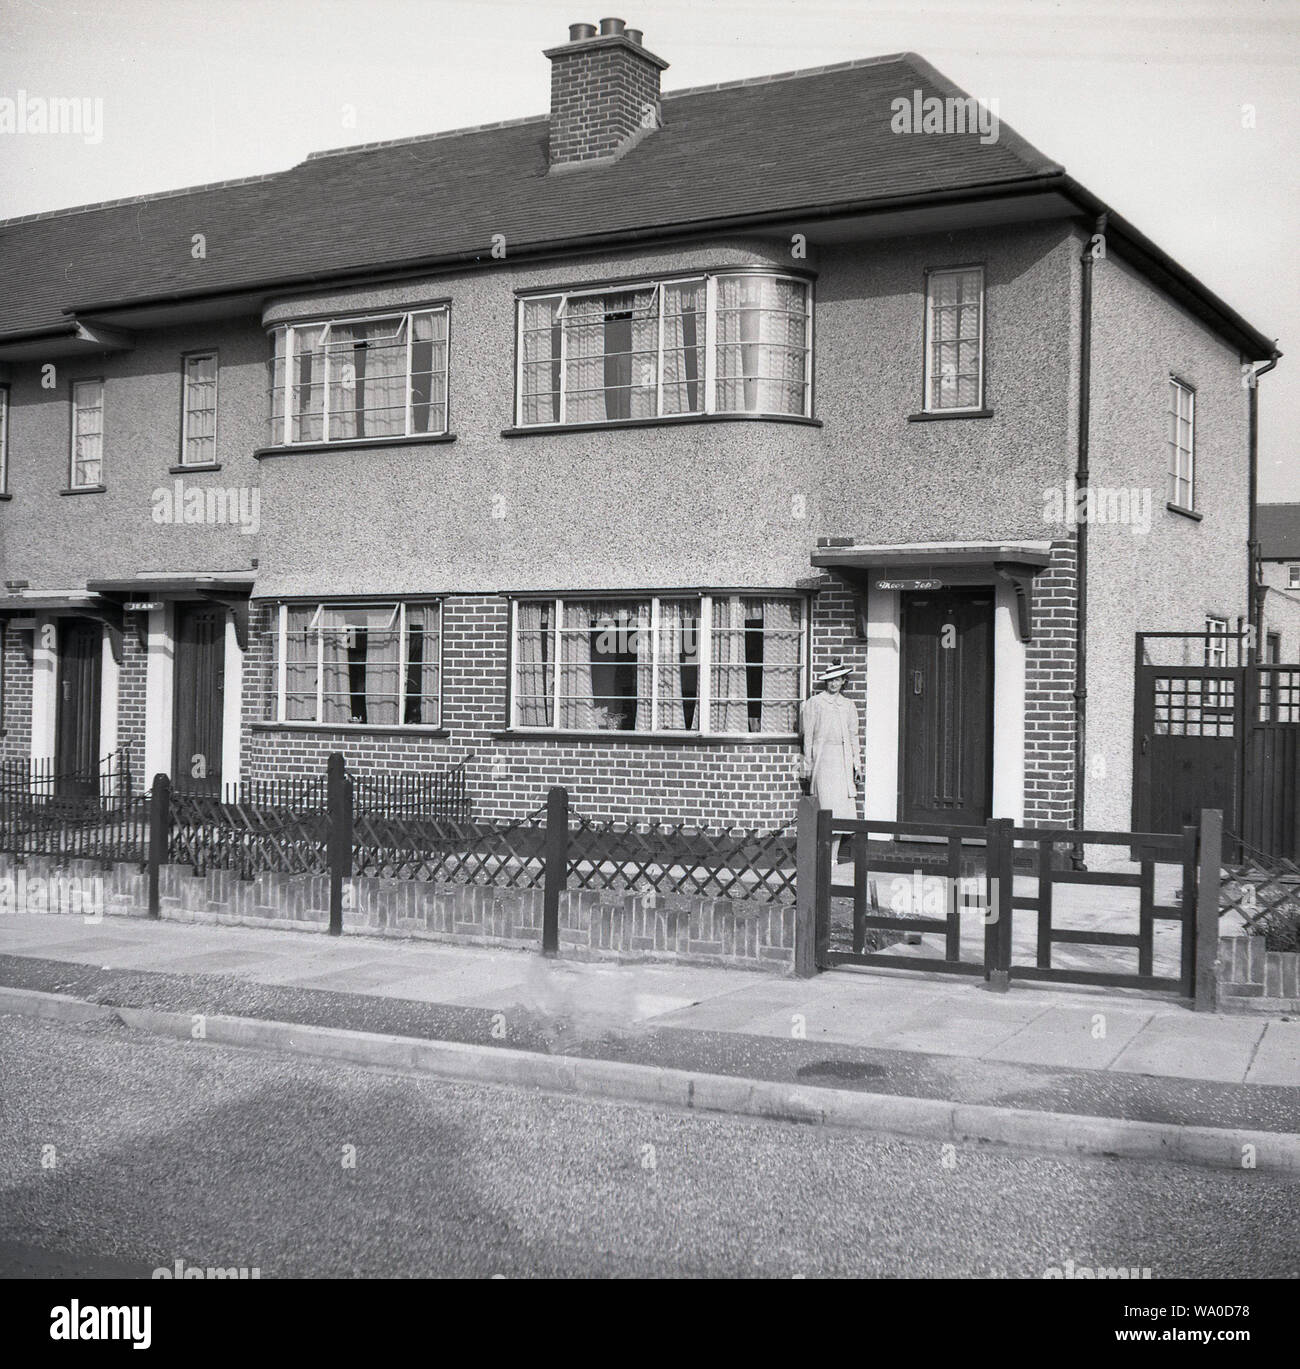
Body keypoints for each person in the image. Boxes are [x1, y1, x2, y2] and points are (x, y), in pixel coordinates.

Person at [800, 658, 862, 822]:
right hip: (823, 759)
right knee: (825, 806)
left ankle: (834, 848)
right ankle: (823, 847)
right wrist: (808, 764)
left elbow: (853, 737)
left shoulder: (848, 705)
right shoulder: (815, 703)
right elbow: (808, 736)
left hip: (843, 761)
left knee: (842, 810)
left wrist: (857, 765)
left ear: (843, 681)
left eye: (837, 680)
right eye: (830, 680)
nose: (833, 684)